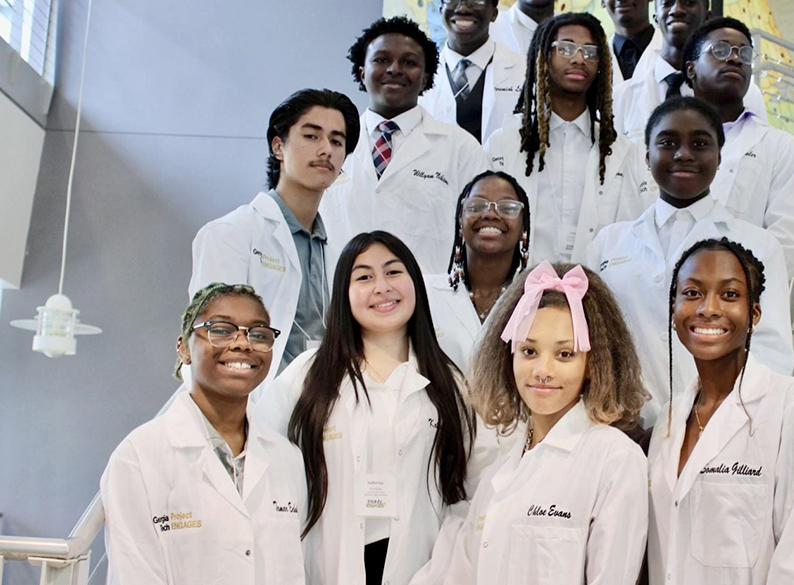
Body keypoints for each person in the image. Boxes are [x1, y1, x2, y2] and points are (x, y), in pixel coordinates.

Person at [254, 231, 492, 585]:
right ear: (344, 294)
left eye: (394, 272)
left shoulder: (449, 382)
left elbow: (476, 482)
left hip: (425, 567)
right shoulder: (308, 374)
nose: (382, 287)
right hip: (327, 565)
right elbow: (260, 458)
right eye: (364, 277)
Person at [413, 261, 649, 585]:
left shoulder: (616, 460)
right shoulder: (498, 473)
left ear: (594, 363)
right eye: (529, 351)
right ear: (508, 355)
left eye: (564, 354)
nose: (542, 370)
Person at [647, 238, 794, 584]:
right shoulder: (668, 420)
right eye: (692, 293)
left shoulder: (793, 408)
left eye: (729, 295)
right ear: (673, 308)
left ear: (754, 314)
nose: (708, 308)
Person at [588, 96, 793, 417]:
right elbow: (594, 343)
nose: (684, 154)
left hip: (721, 430)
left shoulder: (758, 244)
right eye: (668, 142)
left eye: (700, 143)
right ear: (647, 156)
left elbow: (772, 350)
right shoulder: (608, 243)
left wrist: (724, 418)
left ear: (719, 157)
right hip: (626, 431)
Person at [101, 283, 308, 585]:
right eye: (221, 330)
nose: (242, 343)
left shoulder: (287, 459)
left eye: (258, 333)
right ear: (184, 347)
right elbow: (134, 574)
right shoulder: (138, 457)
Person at [189, 88, 360, 394]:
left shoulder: (337, 251)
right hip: (251, 407)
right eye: (311, 136)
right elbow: (211, 341)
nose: (326, 150)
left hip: (319, 408)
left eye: (337, 141)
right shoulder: (232, 233)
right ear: (278, 146)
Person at [322, 16, 491, 275]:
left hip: (428, 304)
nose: (394, 69)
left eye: (409, 62)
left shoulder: (462, 149)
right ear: (362, 71)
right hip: (340, 299)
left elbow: (481, 236)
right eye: (381, 60)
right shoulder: (331, 142)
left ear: (425, 79)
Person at [484, 12, 652, 265]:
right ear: (543, 57)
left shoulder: (620, 150)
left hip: (598, 288)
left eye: (590, 51)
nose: (578, 58)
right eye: (566, 48)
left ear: (601, 66)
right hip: (521, 289)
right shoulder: (503, 143)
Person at [670, 16, 794, 275]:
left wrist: (727, 287)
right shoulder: (665, 142)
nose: (735, 59)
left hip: (745, 298)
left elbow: (789, 243)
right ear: (691, 69)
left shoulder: (780, 146)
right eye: (720, 50)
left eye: (745, 54)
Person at [614, 0, 767, 142]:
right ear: (656, 17)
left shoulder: (747, 94)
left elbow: (758, 149)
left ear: (707, 17)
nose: (677, 10)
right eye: (667, 2)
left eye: (689, 2)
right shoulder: (621, 97)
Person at [425, 170, 531, 374]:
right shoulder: (425, 293)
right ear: (460, 220)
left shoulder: (539, 297)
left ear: (523, 228)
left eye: (507, 208)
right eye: (476, 206)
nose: (490, 214)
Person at [420, 0, 526, 144]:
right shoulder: (419, 72)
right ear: (440, 11)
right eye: (453, 0)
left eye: (476, 1)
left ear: (494, 13)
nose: (463, 9)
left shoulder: (526, 71)